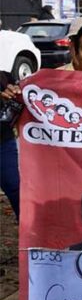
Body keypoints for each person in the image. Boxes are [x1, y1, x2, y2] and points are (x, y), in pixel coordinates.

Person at [0, 71, 23, 220]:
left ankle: (29, 229)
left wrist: (16, 93)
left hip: (3, 142)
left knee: (14, 186)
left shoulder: (5, 77)